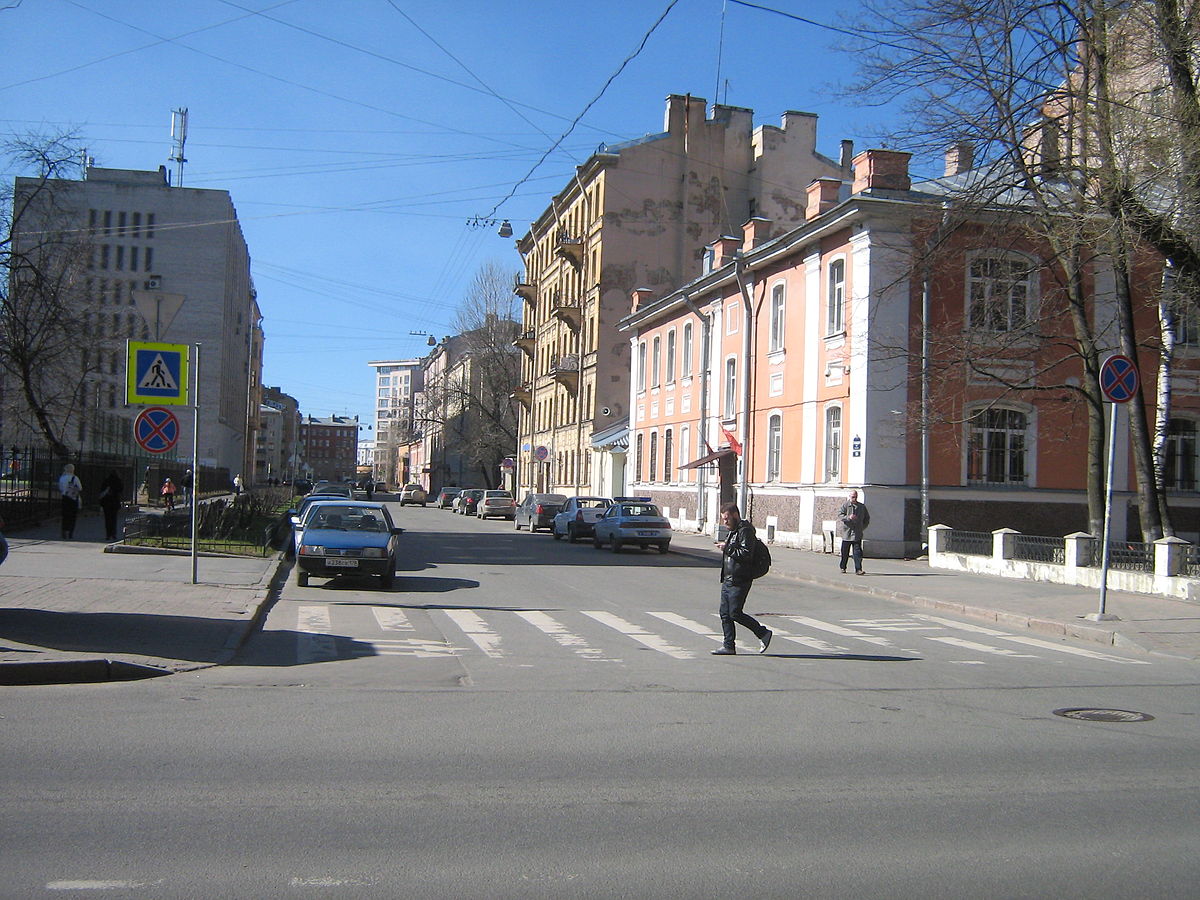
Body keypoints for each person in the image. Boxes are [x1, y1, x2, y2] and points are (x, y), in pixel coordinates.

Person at [712, 501, 772, 656]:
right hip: (729, 579)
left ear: (735, 515)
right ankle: (728, 646)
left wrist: (728, 548)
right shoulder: (734, 531)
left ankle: (762, 633)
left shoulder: (745, 531)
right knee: (724, 613)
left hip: (740, 579)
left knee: (735, 613)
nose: (725, 522)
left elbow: (746, 554)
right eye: (723, 519)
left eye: (727, 519)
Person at [837, 489, 871, 575]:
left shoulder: (861, 507)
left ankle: (858, 569)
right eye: (852, 497)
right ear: (850, 496)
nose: (854, 498)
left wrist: (862, 527)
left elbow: (867, 518)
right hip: (847, 533)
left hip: (857, 534)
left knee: (858, 553)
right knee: (845, 552)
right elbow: (840, 515)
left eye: (855, 497)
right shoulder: (845, 505)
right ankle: (843, 567)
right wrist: (848, 517)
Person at [57, 463, 82, 539]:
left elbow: (60, 488)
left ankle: (64, 530)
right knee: (72, 516)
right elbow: (80, 488)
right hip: (73, 498)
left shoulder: (62, 478)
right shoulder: (75, 478)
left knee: (65, 516)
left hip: (65, 498)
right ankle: (70, 532)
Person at [99, 470, 124, 541]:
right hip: (115, 502)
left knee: (107, 519)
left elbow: (101, 491)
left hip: (106, 502)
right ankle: (114, 534)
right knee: (114, 519)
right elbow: (121, 490)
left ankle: (108, 534)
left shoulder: (106, 481)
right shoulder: (118, 481)